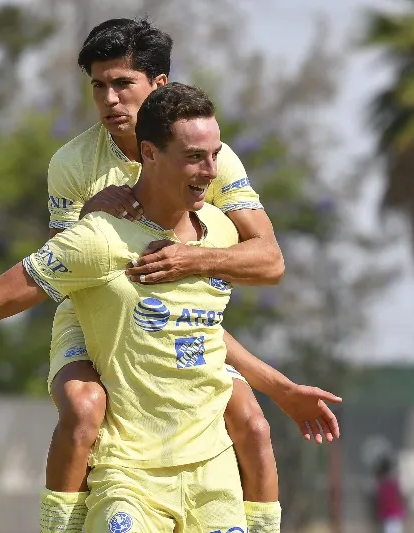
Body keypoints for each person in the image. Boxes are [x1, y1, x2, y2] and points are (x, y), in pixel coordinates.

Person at [0, 83, 323, 532]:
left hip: (212, 472)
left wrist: (281, 388)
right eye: (195, 158)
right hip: (130, 479)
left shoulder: (221, 233)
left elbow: (209, 332)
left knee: (254, 427)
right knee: (82, 408)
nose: (211, 172)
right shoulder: (96, 241)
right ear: (150, 154)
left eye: (215, 156)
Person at [42, 17, 342, 533]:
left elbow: (269, 258)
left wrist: (193, 260)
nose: (110, 99)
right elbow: (66, 266)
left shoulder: (207, 156)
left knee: (252, 423)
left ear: (158, 85)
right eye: (99, 85)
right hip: (97, 315)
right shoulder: (72, 163)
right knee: (86, 408)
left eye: (123, 83)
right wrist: (93, 210)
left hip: (183, 315)